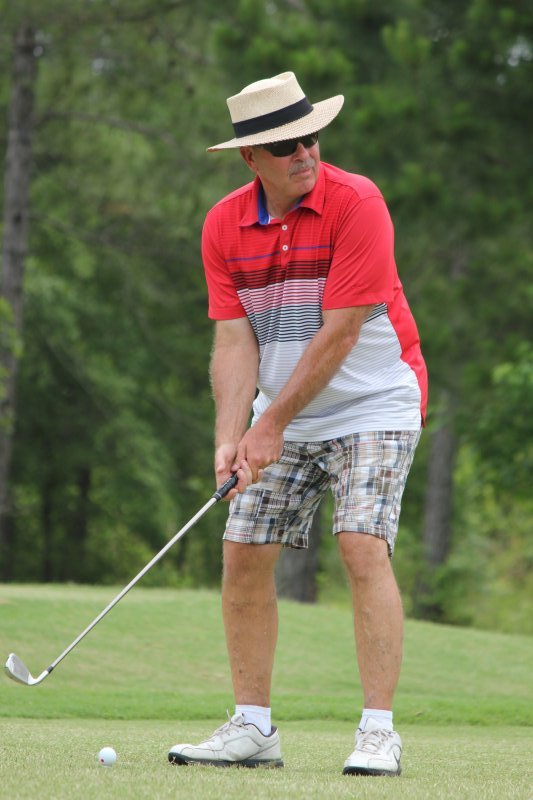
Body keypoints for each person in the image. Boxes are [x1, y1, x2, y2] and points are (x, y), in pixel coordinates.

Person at [168, 71, 427, 777]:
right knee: (243, 549)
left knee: (361, 544)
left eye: (309, 136)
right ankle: (253, 728)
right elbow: (233, 342)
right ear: (251, 157)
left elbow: (340, 333)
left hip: (374, 401)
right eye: (285, 145)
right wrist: (231, 436)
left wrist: (271, 424)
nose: (304, 152)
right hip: (280, 415)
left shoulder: (357, 203)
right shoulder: (223, 225)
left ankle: (377, 733)